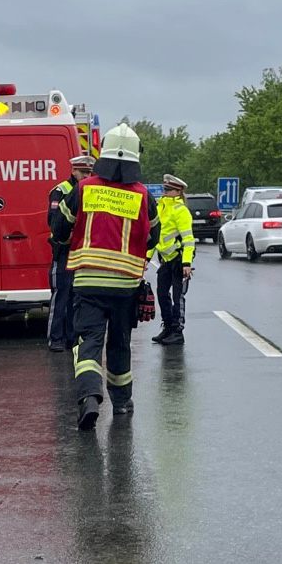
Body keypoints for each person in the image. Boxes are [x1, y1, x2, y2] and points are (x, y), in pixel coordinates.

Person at [53, 122, 158, 430]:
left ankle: (89, 398)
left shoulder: (84, 189)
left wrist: (66, 241)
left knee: (88, 342)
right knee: (120, 342)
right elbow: (153, 236)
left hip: (88, 282)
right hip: (126, 284)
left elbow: (60, 228)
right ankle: (122, 402)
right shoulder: (141, 196)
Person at [47, 152, 93, 351]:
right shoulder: (61, 190)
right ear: (73, 171)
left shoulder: (90, 190)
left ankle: (72, 338)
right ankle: (55, 338)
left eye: (89, 172)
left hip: (81, 251)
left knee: (77, 297)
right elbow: (54, 221)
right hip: (64, 250)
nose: (86, 176)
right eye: (83, 172)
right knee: (61, 296)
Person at [152, 173, 195, 346]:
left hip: (179, 259)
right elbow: (155, 236)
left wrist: (187, 263)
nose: (165, 192)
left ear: (178, 192)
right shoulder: (161, 207)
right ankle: (168, 327)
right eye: (164, 188)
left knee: (178, 296)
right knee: (162, 293)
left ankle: (178, 331)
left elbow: (188, 239)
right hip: (165, 259)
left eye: (168, 189)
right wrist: (145, 260)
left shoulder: (181, 210)